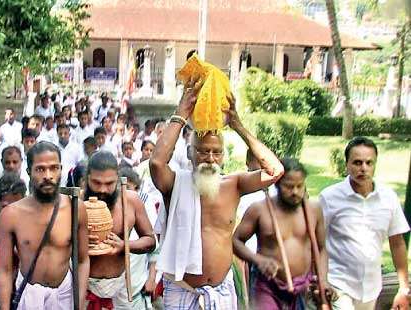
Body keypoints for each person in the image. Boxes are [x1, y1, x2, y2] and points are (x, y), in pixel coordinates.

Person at [150, 83, 284, 309]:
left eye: (216, 152)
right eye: (203, 151)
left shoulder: (234, 184)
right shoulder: (175, 183)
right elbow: (156, 162)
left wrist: (237, 125)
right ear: (190, 154)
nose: (210, 158)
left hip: (222, 290)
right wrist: (181, 113)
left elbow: (275, 170)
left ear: (223, 157)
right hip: (181, 289)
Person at [319, 137, 410, 310]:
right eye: (357, 162)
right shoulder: (329, 197)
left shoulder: (388, 198)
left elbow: (397, 243)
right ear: (346, 164)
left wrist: (403, 287)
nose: (363, 168)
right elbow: (315, 242)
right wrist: (320, 281)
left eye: (369, 163)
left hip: (371, 288)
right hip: (337, 284)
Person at [0, 142, 90, 309]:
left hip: (65, 295)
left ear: (61, 169)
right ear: (29, 172)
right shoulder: (11, 215)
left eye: (54, 168)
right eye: (40, 169)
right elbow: (4, 269)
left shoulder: (76, 209)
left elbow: (83, 260)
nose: (48, 175)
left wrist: (80, 302)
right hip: (29, 296)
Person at [233, 158, 331, 309]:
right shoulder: (259, 210)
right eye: (289, 187)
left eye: (300, 186)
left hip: (302, 287)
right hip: (267, 286)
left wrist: (322, 280)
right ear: (277, 183)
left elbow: (321, 248)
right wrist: (259, 260)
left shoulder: (313, 210)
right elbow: (236, 241)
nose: (295, 192)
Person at [84, 151, 156, 309]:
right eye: (96, 183)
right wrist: (79, 242)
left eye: (109, 183)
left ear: (117, 179)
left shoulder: (131, 201)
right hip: (83, 289)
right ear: (86, 179)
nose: (102, 189)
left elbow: (151, 241)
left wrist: (124, 245)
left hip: (122, 289)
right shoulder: (75, 205)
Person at [119, 167, 163, 310]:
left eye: (129, 188)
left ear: (136, 189)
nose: (124, 192)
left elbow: (154, 248)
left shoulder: (142, 209)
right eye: (119, 187)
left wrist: (152, 279)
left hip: (136, 290)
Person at [0, 172, 28, 310]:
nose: (11, 213)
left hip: (22, 290)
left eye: (16, 206)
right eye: (5, 207)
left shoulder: (30, 225)